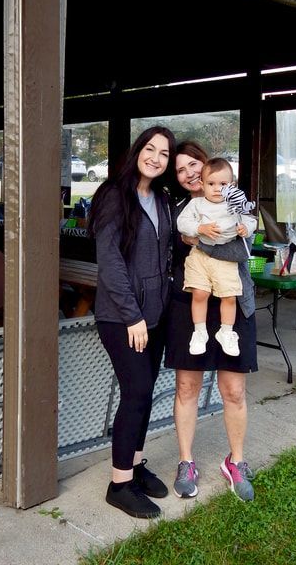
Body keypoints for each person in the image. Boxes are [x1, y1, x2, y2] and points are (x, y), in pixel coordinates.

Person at [87, 126, 176, 519]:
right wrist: (133, 316)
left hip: (154, 315)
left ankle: (135, 465)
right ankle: (119, 484)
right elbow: (110, 263)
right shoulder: (113, 195)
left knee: (145, 390)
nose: (156, 157)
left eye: (164, 154)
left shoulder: (162, 198)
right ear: (137, 150)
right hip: (123, 317)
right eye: (150, 148)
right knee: (136, 392)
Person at [165, 141, 258, 502]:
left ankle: (236, 461)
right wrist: (191, 235)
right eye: (181, 169)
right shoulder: (177, 208)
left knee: (233, 390)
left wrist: (237, 230)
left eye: (193, 164)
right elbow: (176, 243)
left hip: (234, 300)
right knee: (187, 387)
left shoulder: (235, 199)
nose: (189, 173)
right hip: (190, 303)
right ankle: (186, 461)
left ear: (208, 166)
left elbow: (249, 235)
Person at [176, 157, 256, 358]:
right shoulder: (197, 204)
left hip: (226, 260)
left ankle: (226, 332)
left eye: (223, 184)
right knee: (199, 293)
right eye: (211, 184)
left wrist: (245, 228)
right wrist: (199, 228)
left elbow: (250, 219)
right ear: (202, 185)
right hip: (200, 257)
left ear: (232, 185)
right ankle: (200, 331)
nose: (217, 188)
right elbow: (182, 223)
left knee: (229, 296)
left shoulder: (234, 205)